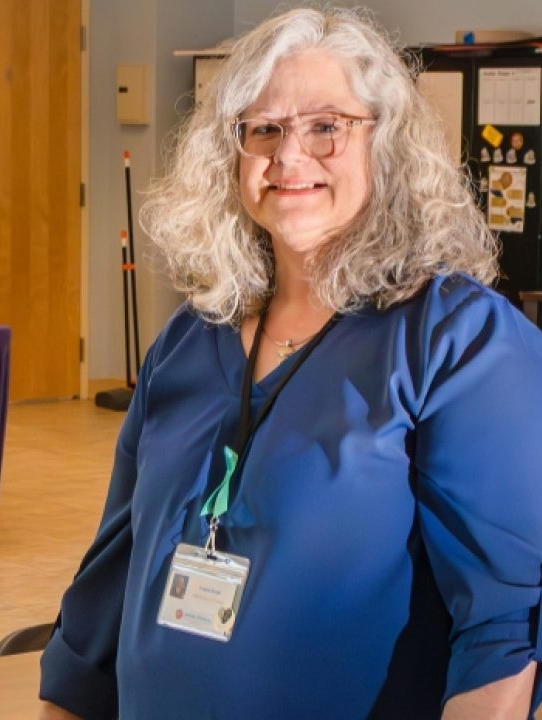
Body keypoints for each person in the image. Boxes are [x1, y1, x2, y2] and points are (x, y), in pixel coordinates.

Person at [39, 8, 542, 719]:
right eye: (263, 129)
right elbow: (100, 602)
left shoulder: (457, 341)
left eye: (326, 126)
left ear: (385, 144)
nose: (289, 156)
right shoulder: (188, 338)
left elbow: (504, 632)